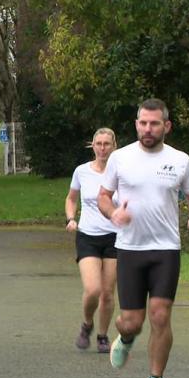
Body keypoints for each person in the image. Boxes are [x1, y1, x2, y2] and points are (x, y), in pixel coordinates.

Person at [98, 98, 189, 378]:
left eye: (154, 123)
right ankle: (127, 337)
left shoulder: (180, 160)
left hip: (165, 249)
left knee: (161, 315)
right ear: (136, 124)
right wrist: (113, 213)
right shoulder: (120, 158)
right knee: (131, 321)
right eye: (143, 123)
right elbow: (104, 196)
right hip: (130, 249)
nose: (148, 129)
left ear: (166, 126)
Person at [65, 128, 119, 353]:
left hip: (115, 236)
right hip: (87, 235)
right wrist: (70, 218)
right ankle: (87, 323)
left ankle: (103, 336)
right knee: (93, 289)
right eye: (99, 143)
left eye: (107, 144)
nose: (103, 148)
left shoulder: (121, 172)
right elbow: (71, 198)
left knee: (107, 292)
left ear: (114, 146)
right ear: (93, 146)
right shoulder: (82, 171)